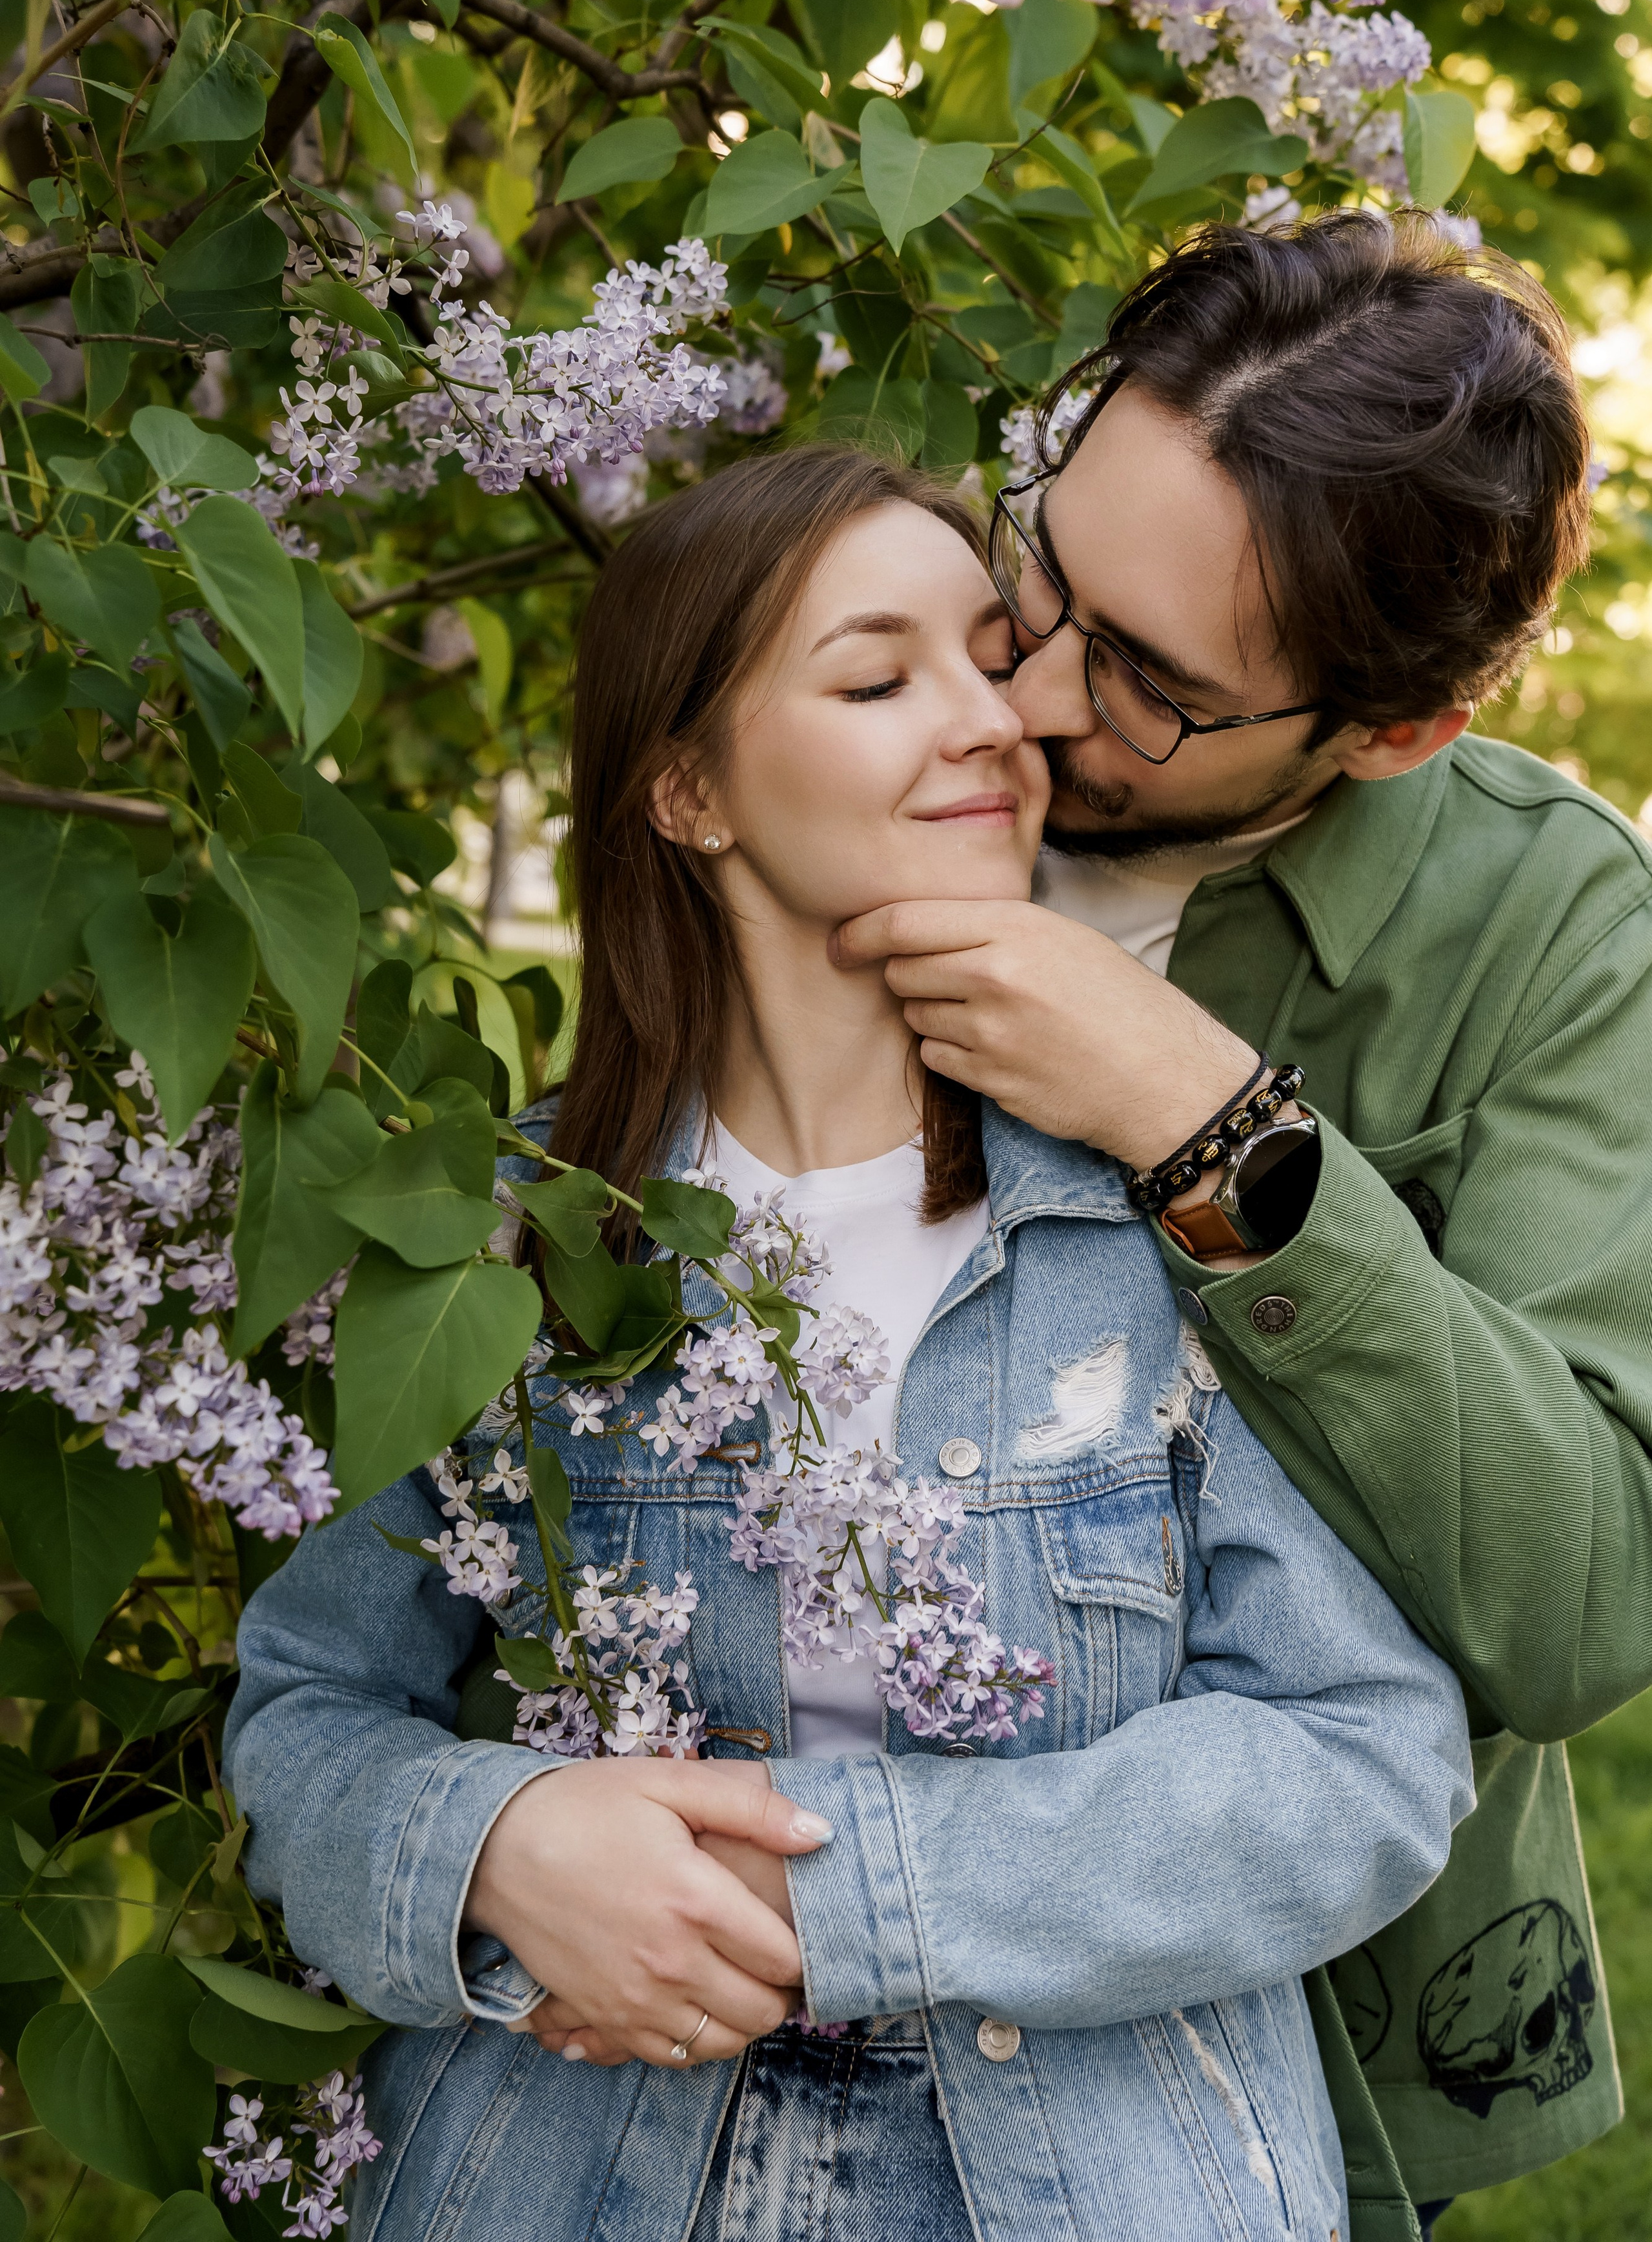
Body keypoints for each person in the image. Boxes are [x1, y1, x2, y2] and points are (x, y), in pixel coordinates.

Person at [226, 443, 1471, 2242]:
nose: (991, 721)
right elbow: (305, 1713)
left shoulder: (1158, 1203)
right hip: (580, 2159)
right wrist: (495, 1845)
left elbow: (1363, 1750)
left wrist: (854, 1894)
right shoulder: (504, 1248)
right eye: (881, 677)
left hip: (1097, 2167)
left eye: (989, 655)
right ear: (687, 791)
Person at [830, 210, 1652, 2236]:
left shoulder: (1560, 927)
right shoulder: (859, 692)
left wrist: (1208, 1125)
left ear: (1393, 733)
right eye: (1045, 568)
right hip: (748, 1940)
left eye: (1148, 686)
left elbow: (1581, 1607)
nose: (1016, 697)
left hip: (1278, 2036)